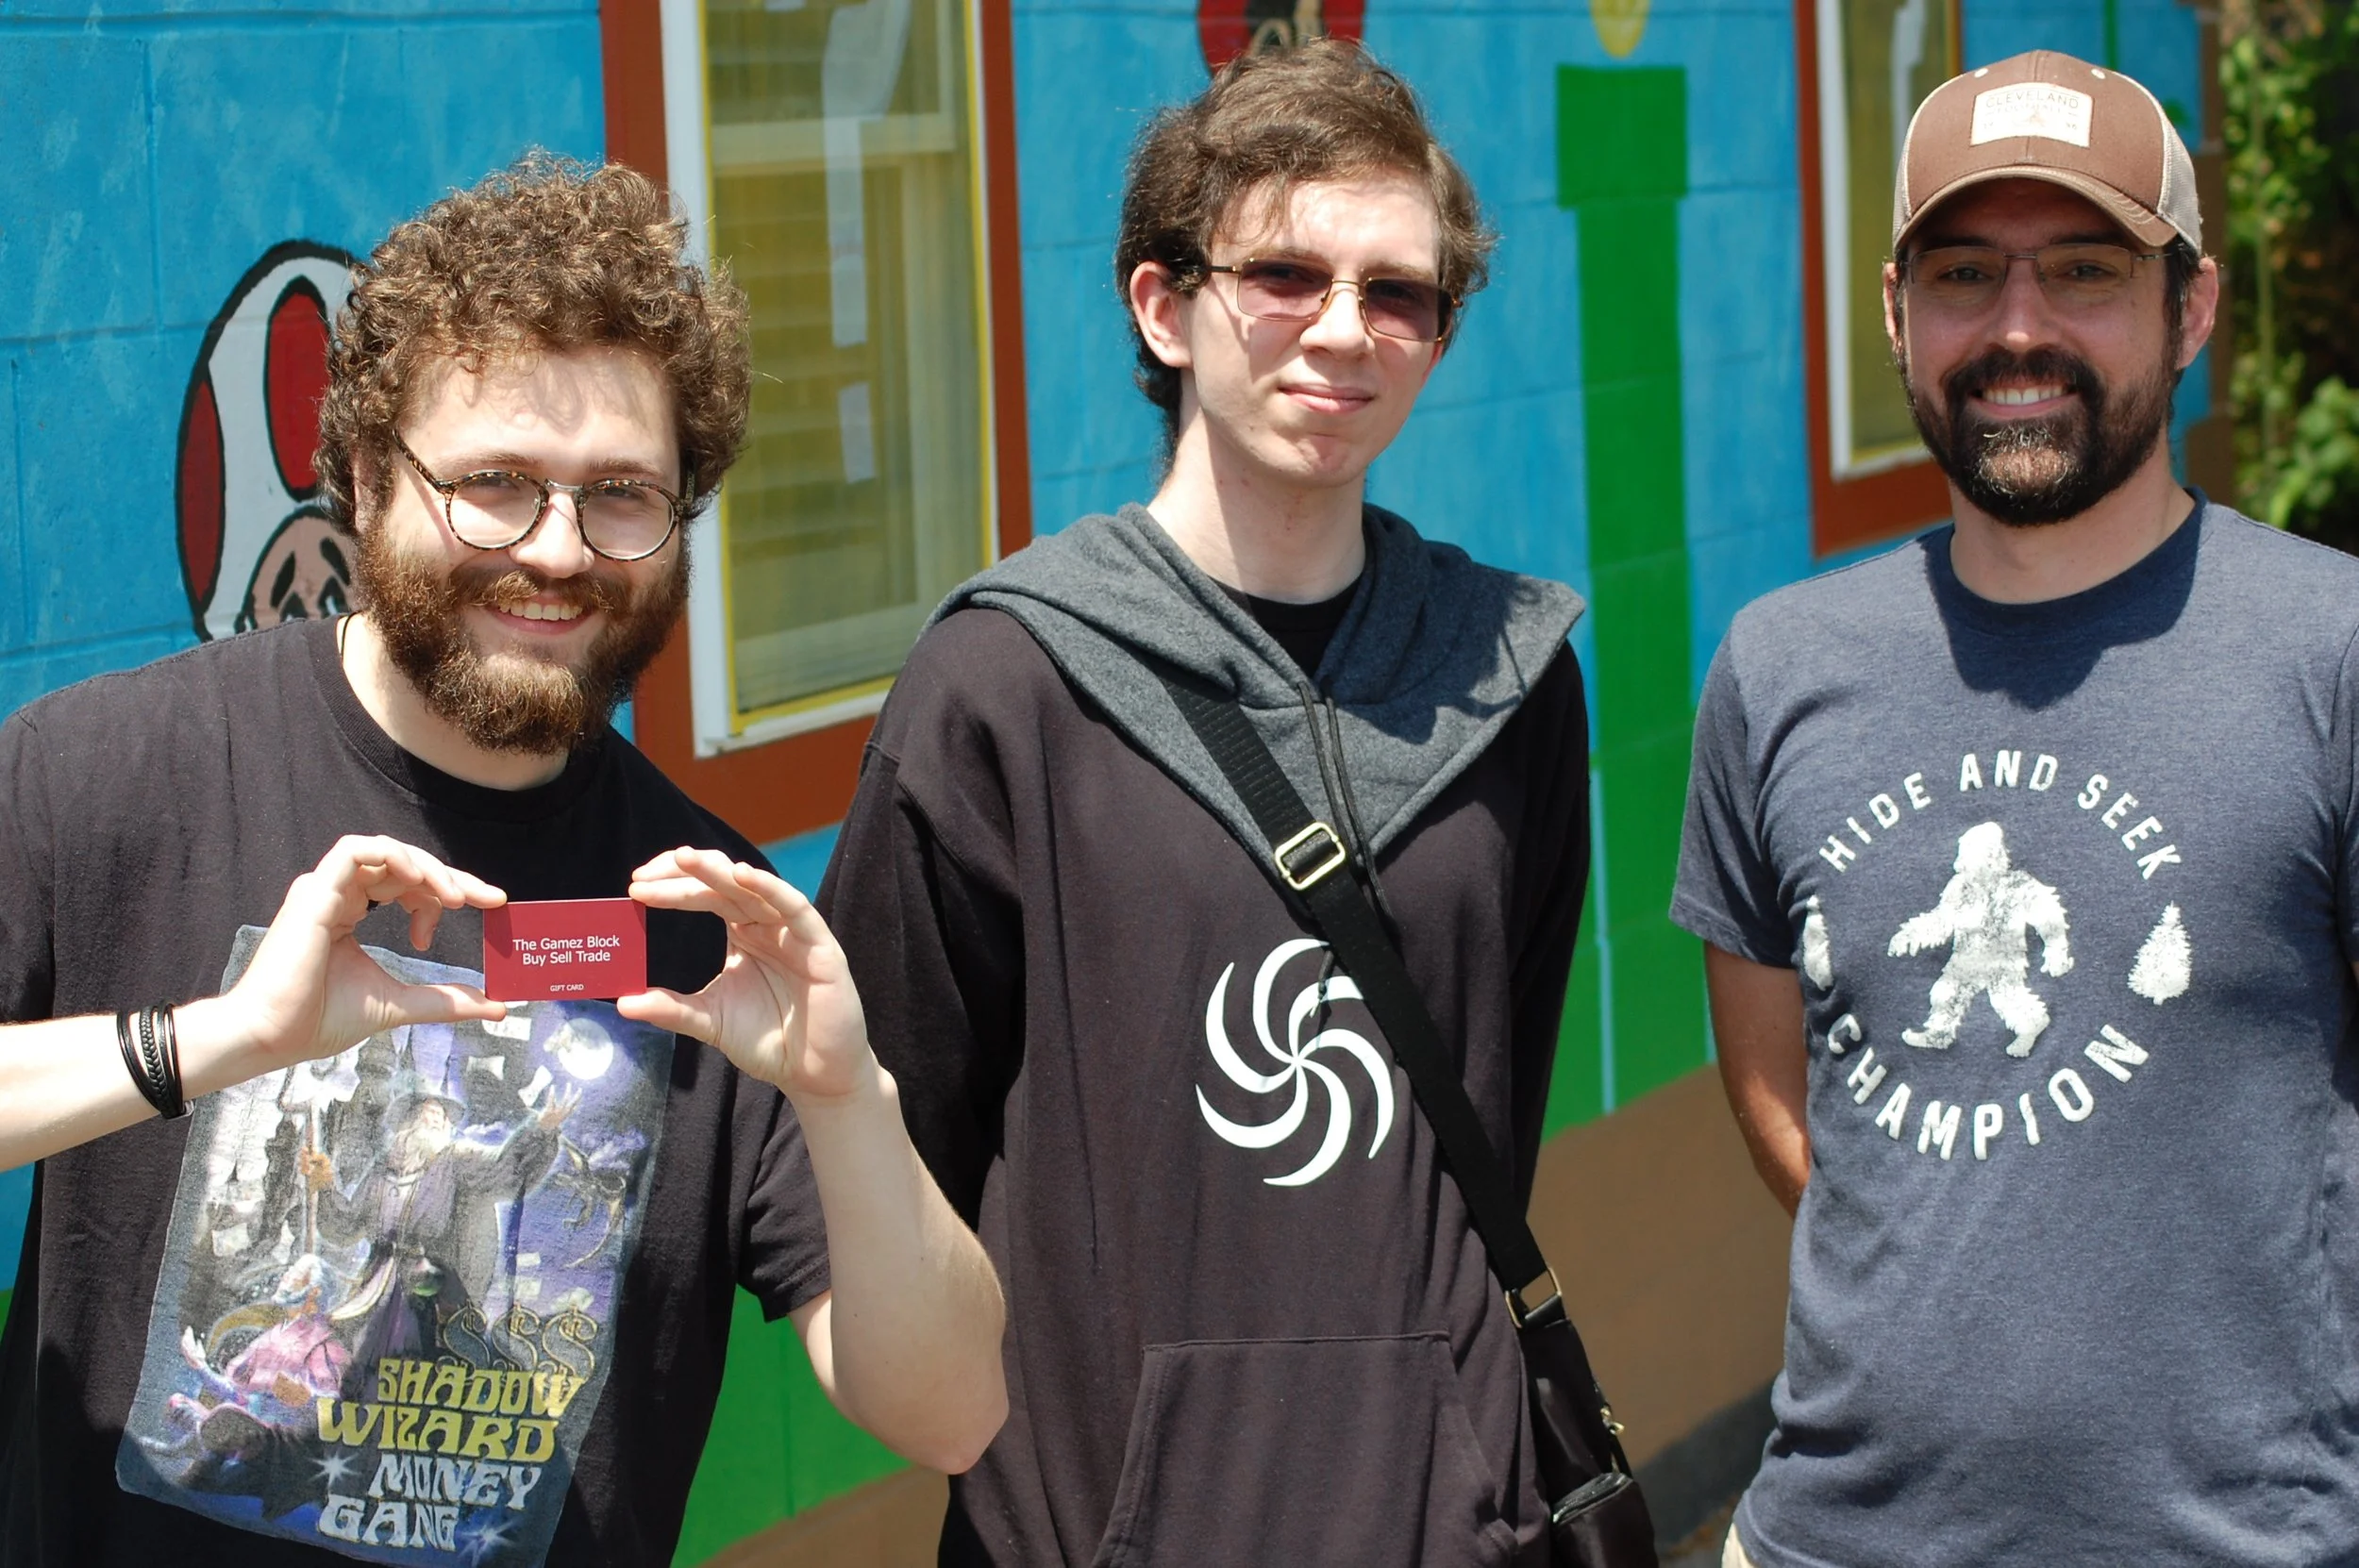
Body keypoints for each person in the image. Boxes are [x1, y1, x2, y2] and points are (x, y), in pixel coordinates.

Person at [0, 155, 1005, 1567]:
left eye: (621, 497)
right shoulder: (98, 777)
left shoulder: (706, 916)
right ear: (360, 477)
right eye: (494, 485)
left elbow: (952, 1413)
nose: (557, 550)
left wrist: (848, 1096)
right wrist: (214, 1040)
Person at [821, 40, 1591, 1568]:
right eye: (1286, 275)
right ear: (1164, 307)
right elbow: (892, 1139)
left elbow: (1494, 1107)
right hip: (1102, 1528)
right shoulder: (1004, 686)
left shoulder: (1509, 677)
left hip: (1447, 1525)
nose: (1344, 330)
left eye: (1399, 293)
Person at [1674, 49, 2359, 1567]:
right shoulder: (1779, 667)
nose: (2021, 328)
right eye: (1968, 273)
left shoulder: (2331, 651)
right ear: (1897, 313)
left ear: (2193, 308)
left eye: (2086, 272)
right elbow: (1790, 1094)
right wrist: (1992, 1192)